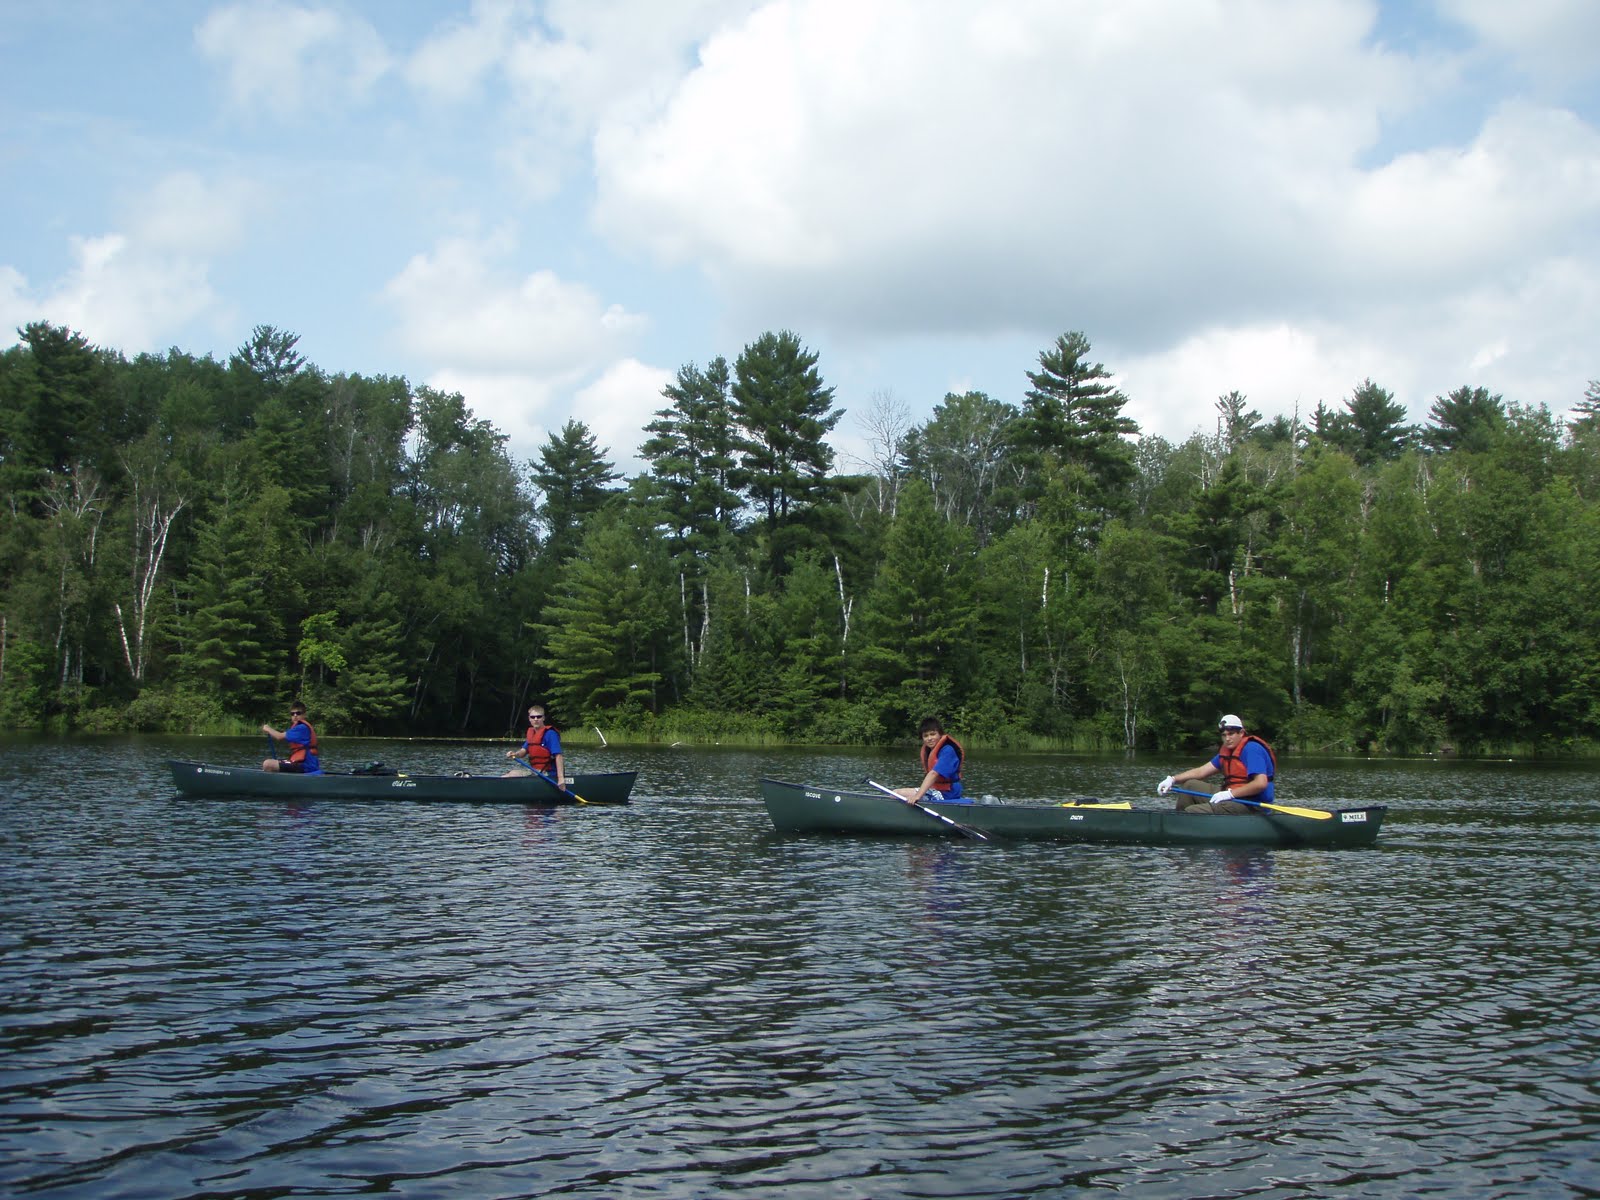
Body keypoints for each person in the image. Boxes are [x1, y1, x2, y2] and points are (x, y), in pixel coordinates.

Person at [1158, 714, 1275, 814]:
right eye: (1224, 735)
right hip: (1233, 796)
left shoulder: (1251, 749)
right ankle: (1178, 819)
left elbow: (1260, 784)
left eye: (1231, 734)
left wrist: (1230, 794)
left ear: (1241, 733)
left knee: (1192, 811)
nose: (1227, 738)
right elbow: (1201, 771)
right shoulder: (1229, 750)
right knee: (1190, 785)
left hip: (1252, 803)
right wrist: (1173, 779)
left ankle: (1185, 821)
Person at [893, 716, 971, 805]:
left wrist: (917, 796)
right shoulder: (929, 751)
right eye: (926, 736)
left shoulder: (948, 750)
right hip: (936, 790)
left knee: (897, 794)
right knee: (895, 793)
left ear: (940, 734)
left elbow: (934, 774)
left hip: (947, 793)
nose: (929, 738)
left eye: (933, 734)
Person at [504, 704, 568, 783]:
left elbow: (558, 756)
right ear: (529, 719)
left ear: (543, 718)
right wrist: (514, 754)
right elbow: (523, 752)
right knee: (509, 774)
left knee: (513, 774)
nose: (536, 719)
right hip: (536, 771)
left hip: (549, 774)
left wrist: (561, 778)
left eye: (539, 717)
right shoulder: (532, 734)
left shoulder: (550, 734)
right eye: (533, 717)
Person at [261, 701, 321, 774]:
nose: (295, 715)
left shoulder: (302, 728)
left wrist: (268, 728)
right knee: (273, 764)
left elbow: (279, 736)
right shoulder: (297, 728)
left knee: (267, 764)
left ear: (304, 715)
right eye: (292, 714)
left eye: (298, 713)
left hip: (306, 766)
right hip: (302, 764)